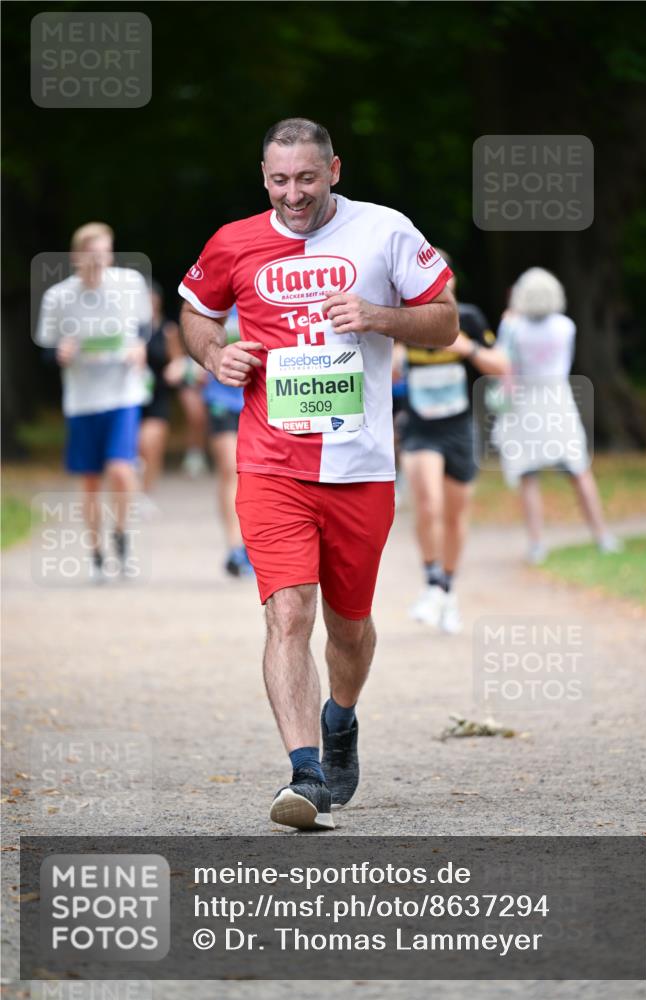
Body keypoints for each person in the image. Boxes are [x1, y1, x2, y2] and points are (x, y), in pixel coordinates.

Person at [179, 118, 458, 831]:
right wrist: (215, 356)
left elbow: (446, 322)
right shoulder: (233, 241)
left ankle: (341, 718)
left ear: (334, 169)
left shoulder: (384, 231)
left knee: (348, 628)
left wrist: (377, 315)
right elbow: (196, 314)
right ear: (263, 177)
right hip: (270, 458)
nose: (292, 193)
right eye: (278, 180)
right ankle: (305, 773)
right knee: (288, 611)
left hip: (360, 466)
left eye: (306, 178)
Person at [394, 252, 510, 632]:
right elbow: (388, 366)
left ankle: (447, 587)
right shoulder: (403, 319)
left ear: (453, 281)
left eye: (442, 279)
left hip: (459, 428)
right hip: (420, 428)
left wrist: (467, 349)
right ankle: (432, 583)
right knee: (428, 502)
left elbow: (502, 365)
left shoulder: (470, 318)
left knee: (456, 515)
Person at [35, 222, 151, 580]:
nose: (100, 263)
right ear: (76, 258)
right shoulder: (58, 296)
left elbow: (146, 328)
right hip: (82, 399)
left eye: (105, 254)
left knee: (119, 468)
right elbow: (45, 347)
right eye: (92, 256)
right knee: (89, 481)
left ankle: (121, 534)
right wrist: (60, 352)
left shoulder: (129, 285)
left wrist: (139, 347)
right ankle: (97, 552)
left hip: (122, 393)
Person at [491, 267, 621, 563]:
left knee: (528, 475)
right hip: (558, 399)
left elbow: (504, 365)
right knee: (578, 469)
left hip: (525, 402)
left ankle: (537, 543)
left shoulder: (513, 327)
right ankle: (601, 535)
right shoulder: (566, 326)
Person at [202, 304, 254, 577]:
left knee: (255, 476)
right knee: (230, 468)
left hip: (261, 399)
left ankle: (254, 546)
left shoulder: (270, 289)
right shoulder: (214, 298)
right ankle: (235, 547)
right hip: (222, 398)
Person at [139, 282, 180, 496]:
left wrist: (175, 369)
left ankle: (147, 490)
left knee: (150, 446)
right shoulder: (129, 328)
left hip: (158, 395)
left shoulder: (168, 330)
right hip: (132, 396)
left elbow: (178, 360)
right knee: (136, 448)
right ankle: (133, 491)